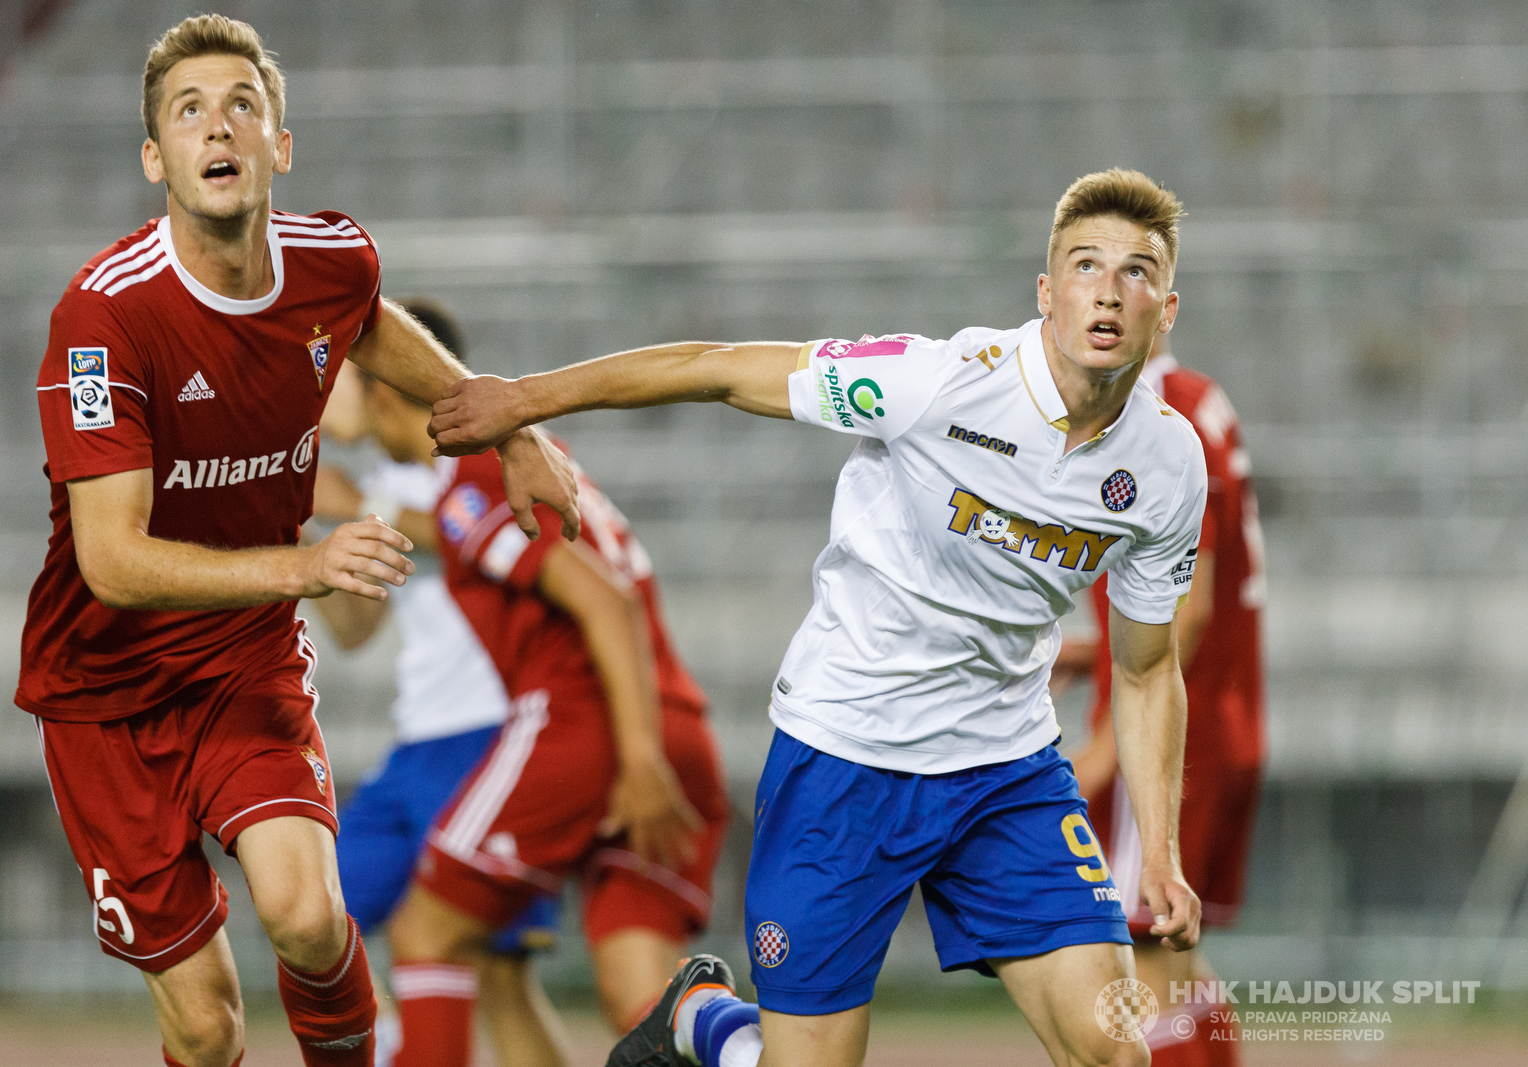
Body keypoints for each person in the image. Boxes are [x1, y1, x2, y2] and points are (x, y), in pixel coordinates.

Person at [429, 168, 1207, 1067]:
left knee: (1114, 1048)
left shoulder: (1167, 465)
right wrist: (522, 401)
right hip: (846, 754)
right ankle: (704, 1018)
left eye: (1137, 271)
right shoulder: (936, 383)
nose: (1109, 288)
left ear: (1167, 308)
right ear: (1047, 293)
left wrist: (1159, 850)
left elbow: (1148, 667)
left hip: (1005, 768)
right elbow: (717, 370)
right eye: (1085, 264)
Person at [16, 17, 577, 1067]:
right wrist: (306, 565)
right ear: (156, 159)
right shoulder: (103, 320)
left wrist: (516, 427)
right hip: (102, 700)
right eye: (188, 111)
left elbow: (371, 320)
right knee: (206, 1021)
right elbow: (112, 561)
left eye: (242, 104)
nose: (217, 125)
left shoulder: (333, 260)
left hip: (241, 663)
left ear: (280, 142)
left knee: (310, 915)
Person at [382, 411, 732, 1067]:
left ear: (384, 388)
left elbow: (605, 600)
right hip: (672, 715)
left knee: (427, 931)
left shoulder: (476, 478)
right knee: (642, 991)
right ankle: (743, 1046)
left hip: (590, 721)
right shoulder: (535, 462)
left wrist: (638, 755)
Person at [311, 303, 570, 1067]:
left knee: (499, 977)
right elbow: (357, 632)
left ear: (390, 380)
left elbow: (482, 526)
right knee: (318, 917)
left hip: (495, 736)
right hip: (417, 743)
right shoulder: (388, 480)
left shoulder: (492, 459)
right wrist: (299, 543)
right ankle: (396, 1040)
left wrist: (355, 509)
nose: (325, 395)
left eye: (343, 378)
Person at [1054, 334, 1266, 1067]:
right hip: (1224, 721)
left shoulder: (1156, 416)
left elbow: (1190, 607)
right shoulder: (1201, 397)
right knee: (1180, 965)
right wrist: (1089, 650)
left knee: (1134, 974)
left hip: (1171, 738)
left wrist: (1115, 747)